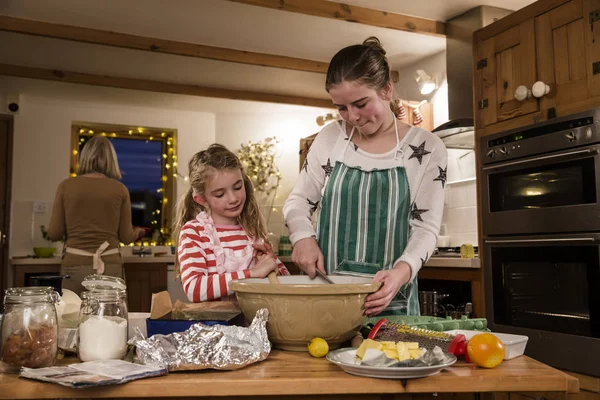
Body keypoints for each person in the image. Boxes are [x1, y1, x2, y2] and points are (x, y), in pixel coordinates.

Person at [283, 37, 447, 316]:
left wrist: (401, 271)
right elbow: (298, 201)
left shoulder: (427, 148)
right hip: (330, 301)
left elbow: (425, 228)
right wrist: (302, 237)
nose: (353, 117)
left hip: (390, 301)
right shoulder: (331, 138)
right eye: (342, 107)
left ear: (386, 90)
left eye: (360, 103)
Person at [173, 144, 289, 303]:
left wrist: (272, 262)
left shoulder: (251, 231)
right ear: (202, 199)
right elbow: (194, 289)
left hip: (252, 324)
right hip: (216, 326)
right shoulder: (194, 233)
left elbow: (284, 285)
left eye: (237, 187)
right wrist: (252, 274)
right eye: (220, 194)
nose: (233, 198)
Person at [48, 135, 146, 295]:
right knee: (111, 318)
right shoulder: (120, 189)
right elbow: (126, 237)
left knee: (72, 317)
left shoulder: (66, 186)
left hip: (74, 265)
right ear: (111, 160)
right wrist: (139, 232)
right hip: (110, 267)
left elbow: (54, 232)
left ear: (84, 157)